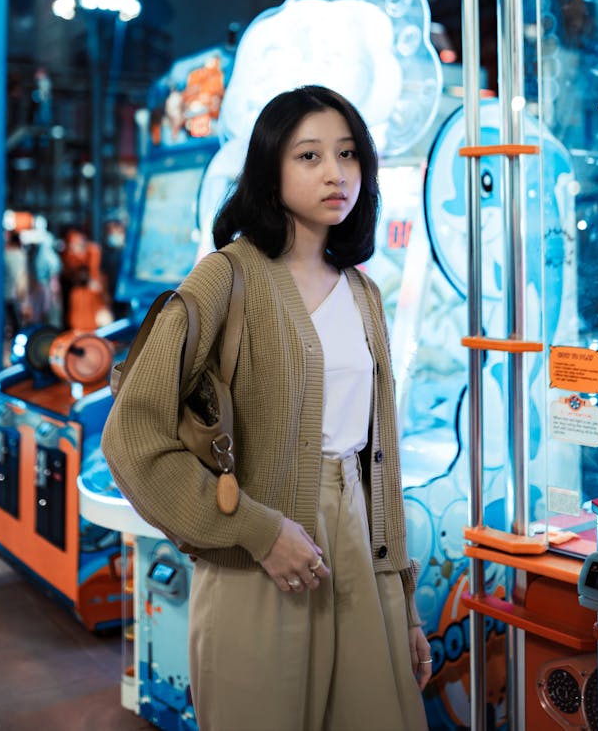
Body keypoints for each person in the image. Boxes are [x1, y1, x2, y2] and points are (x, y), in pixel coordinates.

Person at [102, 85, 431, 731]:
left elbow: (375, 461)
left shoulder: (364, 292)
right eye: (309, 156)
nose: (336, 174)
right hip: (259, 561)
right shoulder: (226, 277)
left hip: (361, 554)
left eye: (348, 155)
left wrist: (406, 607)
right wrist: (256, 530)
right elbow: (132, 431)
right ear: (270, 170)